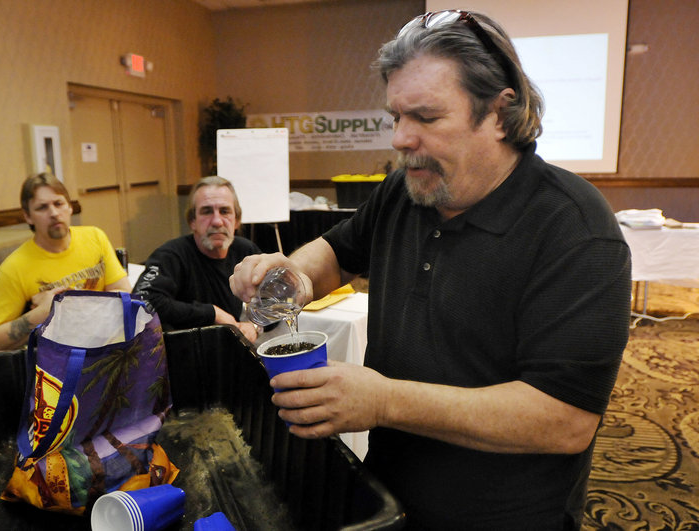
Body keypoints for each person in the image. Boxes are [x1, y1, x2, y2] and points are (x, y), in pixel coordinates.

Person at [229, 11, 631, 530]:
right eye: (396, 116)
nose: (399, 138)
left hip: (504, 516)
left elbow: (564, 420)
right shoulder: (407, 190)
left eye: (426, 117)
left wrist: (386, 401)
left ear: (500, 113)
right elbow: (333, 254)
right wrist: (289, 277)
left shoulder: (575, 229)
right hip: (388, 494)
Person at [0, 173, 130, 351]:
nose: (53, 213)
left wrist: (69, 304)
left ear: (69, 207)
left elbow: (125, 294)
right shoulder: (14, 267)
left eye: (58, 204)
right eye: (42, 208)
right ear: (28, 217)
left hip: (105, 346)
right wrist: (41, 314)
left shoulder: (95, 237)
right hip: (56, 359)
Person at [133, 176, 260, 342]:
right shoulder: (170, 255)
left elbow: (276, 300)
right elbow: (141, 302)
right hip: (185, 353)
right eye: (207, 212)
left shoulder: (246, 251)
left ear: (236, 220)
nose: (217, 221)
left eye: (225, 211)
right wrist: (212, 313)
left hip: (229, 349)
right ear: (192, 221)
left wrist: (255, 325)